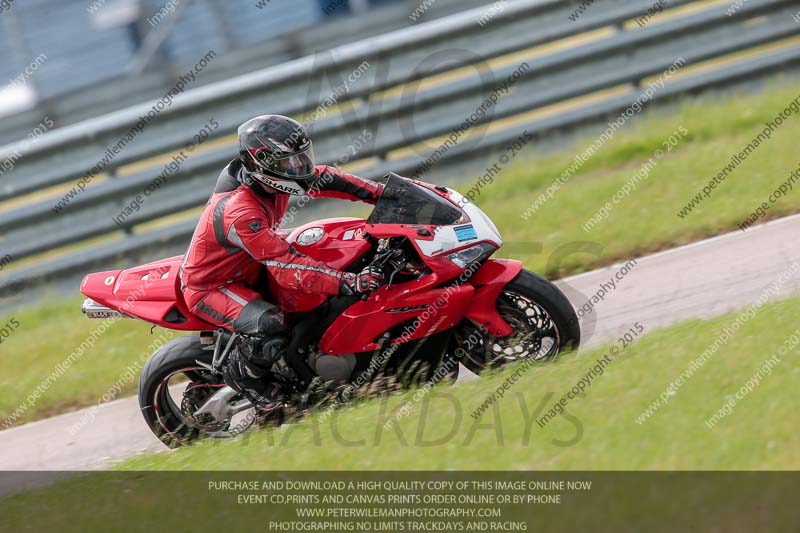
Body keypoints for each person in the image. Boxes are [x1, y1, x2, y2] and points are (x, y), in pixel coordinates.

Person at [180, 115, 384, 407]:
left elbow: (325, 177)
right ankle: (246, 379)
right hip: (213, 286)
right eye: (291, 163)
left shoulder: (269, 178)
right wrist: (348, 282)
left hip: (251, 263)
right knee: (271, 325)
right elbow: (287, 266)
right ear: (262, 163)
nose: (301, 168)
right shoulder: (241, 212)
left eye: (302, 158)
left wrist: (381, 193)